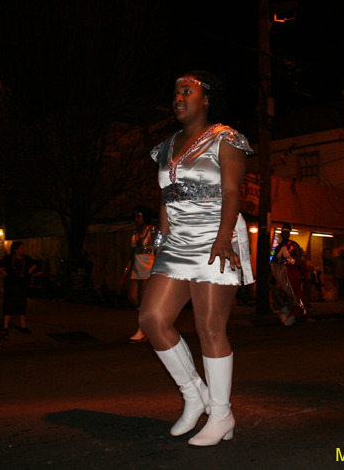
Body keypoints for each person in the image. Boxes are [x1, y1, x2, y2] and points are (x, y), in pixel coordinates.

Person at [139, 71, 254, 446]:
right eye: (175, 92)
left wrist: (224, 240)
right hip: (176, 242)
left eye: (187, 91)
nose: (178, 97)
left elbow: (233, 192)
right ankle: (195, 396)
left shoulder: (226, 138)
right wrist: (161, 238)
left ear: (205, 99)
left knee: (209, 327)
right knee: (152, 319)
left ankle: (221, 414)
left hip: (213, 237)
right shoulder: (166, 146)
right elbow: (165, 198)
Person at [120, 205, 157, 343]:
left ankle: (143, 329)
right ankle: (150, 323)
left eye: (138, 216)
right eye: (134, 217)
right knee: (132, 298)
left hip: (149, 266)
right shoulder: (135, 232)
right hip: (137, 267)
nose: (136, 219)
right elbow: (132, 253)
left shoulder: (152, 230)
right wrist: (125, 271)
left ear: (145, 217)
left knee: (143, 299)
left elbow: (158, 249)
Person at [0, 241, 38, 334]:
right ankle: (5, 327)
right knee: (9, 304)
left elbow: (35, 263)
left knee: (22, 304)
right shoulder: (9, 258)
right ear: (16, 250)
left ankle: (23, 326)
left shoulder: (25, 258)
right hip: (11, 285)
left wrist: (28, 272)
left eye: (23, 247)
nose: (24, 249)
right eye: (21, 248)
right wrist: (6, 274)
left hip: (22, 285)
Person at [270, 223, 308, 325]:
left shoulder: (294, 245)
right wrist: (271, 275)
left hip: (292, 273)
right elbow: (274, 262)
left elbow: (299, 261)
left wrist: (300, 273)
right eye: (283, 232)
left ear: (289, 233)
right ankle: (285, 310)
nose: (284, 234)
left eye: (286, 232)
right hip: (280, 273)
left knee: (290, 295)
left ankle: (291, 315)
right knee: (277, 293)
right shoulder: (278, 247)